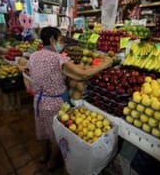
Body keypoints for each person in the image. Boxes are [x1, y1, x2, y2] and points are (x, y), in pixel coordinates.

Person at [26, 26, 113, 170]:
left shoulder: (34, 55)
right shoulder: (58, 58)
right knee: (56, 133)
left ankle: (43, 155)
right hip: (55, 102)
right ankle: (52, 162)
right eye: (60, 39)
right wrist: (104, 65)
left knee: (42, 129)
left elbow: (30, 73)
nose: (62, 43)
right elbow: (83, 74)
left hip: (39, 100)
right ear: (52, 39)